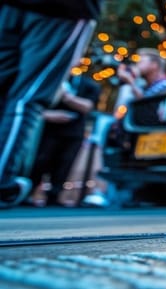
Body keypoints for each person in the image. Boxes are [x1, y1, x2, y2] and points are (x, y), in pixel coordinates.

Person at [0, 0, 102, 208]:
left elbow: (89, 106)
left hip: (12, 8)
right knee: (26, 98)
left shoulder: (89, 85)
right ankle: (3, 181)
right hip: (60, 10)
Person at [27, 71, 99, 207]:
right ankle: (29, 193)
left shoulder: (86, 84)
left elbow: (88, 106)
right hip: (48, 130)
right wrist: (47, 115)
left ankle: (54, 197)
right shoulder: (50, 79)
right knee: (40, 161)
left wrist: (66, 96)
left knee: (64, 164)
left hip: (73, 131)